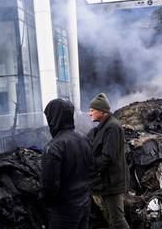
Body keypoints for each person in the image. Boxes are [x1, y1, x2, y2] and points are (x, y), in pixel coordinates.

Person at [42, 98, 92, 229]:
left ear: (55, 117)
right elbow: (91, 169)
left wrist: (45, 202)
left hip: (64, 211)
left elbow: (50, 186)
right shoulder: (84, 138)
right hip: (84, 203)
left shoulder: (54, 147)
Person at [87, 93, 130, 229]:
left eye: (92, 110)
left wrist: (90, 168)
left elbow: (108, 157)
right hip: (106, 182)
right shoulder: (104, 127)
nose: (90, 114)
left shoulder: (112, 127)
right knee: (112, 219)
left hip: (112, 183)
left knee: (117, 219)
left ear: (101, 111)